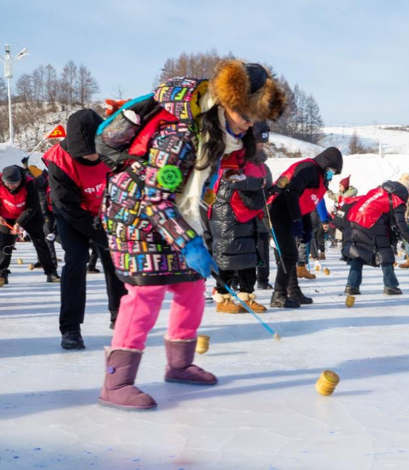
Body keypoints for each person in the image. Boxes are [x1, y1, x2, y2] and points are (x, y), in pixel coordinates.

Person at [98, 60, 286, 410]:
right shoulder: (181, 133)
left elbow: (192, 187)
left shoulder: (219, 135)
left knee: (191, 285)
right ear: (227, 104)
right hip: (134, 213)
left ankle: (179, 364)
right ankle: (116, 381)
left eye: (254, 120)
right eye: (246, 117)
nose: (248, 126)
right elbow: (155, 196)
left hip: (174, 213)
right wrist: (189, 242)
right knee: (147, 292)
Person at [44, 110, 127, 349]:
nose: (93, 158)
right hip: (72, 215)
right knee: (76, 259)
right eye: (87, 154)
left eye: (96, 151)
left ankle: (119, 315)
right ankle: (70, 327)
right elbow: (66, 206)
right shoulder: (59, 162)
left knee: (115, 257)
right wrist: (97, 232)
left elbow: (123, 181)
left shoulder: (111, 149)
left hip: (105, 209)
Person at [268, 148, 343, 308]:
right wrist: (296, 220)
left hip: (290, 212)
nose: (332, 173)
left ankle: (293, 291)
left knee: (291, 255)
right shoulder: (308, 169)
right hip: (278, 210)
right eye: (332, 169)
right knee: (288, 254)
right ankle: (278, 295)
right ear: (326, 163)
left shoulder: (320, 177)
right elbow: (290, 193)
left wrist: (307, 227)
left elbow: (306, 203)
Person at [209, 119, 270, 314]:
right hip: (228, 213)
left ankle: (246, 296)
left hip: (247, 214)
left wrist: (269, 188)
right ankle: (223, 297)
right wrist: (258, 183)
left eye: (263, 143)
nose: (261, 147)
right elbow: (230, 176)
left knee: (249, 257)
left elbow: (260, 186)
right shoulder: (234, 154)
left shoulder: (257, 162)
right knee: (227, 256)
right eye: (259, 142)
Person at [343, 180, 409, 295]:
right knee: (385, 253)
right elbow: (403, 227)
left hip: (353, 221)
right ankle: (390, 286)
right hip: (370, 223)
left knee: (358, 254)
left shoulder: (377, 192)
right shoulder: (397, 201)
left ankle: (351, 286)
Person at [0, 165, 61, 286]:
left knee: (40, 243)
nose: (12, 186)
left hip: (30, 215)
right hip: (7, 216)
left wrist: (19, 223)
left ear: (20, 180)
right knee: (4, 245)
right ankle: (2, 274)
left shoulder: (29, 183)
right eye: (8, 183)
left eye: (15, 183)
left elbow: (33, 207)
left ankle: (51, 272)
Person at [253, 122, 274, 291]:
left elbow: (269, 191)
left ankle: (262, 278)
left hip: (261, 215)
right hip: (241, 215)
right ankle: (238, 278)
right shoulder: (239, 162)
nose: (261, 146)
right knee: (241, 247)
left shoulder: (264, 167)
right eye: (258, 142)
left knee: (262, 248)